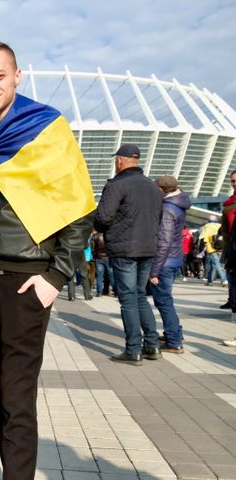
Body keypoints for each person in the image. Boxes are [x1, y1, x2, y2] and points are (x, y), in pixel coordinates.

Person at [0, 40, 94, 479]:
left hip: (25, 279)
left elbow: (78, 209)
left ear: (18, 76)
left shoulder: (45, 128)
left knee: (17, 397)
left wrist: (54, 277)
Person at [94, 143, 163, 365]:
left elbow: (103, 218)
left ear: (119, 161)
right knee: (140, 295)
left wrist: (100, 227)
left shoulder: (117, 185)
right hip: (148, 247)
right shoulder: (153, 187)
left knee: (128, 299)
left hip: (124, 249)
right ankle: (151, 345)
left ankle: (133, 349)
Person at [149, 176, 191, 354]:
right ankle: (175, 334)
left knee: (164, 301)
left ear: (161, 189)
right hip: (173, 259)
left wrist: (154, 271)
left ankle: (174, 341)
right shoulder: (179, 203)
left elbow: (164, 241)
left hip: (164, 262)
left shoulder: (167, 209)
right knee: (166, 300)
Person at [202, 214, 227, 287]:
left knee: (216, 265)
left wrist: (206, 247)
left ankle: (223, 280)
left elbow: (205, 238)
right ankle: (209, 281)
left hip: (211, 248)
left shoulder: (207, 226)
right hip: (221, 248)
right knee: (214, 265)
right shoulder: (220, 226)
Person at [91, 230, 115, 296]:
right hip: (108, 257)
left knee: (99, 276)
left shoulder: (95, 236)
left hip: (99, 257)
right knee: (111, 275)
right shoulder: (110, 234)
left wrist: (94, 256)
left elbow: (92, 248)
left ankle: (99, 292)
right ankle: (116, 291)